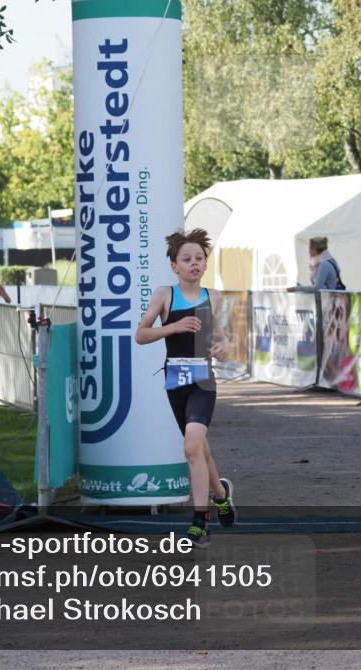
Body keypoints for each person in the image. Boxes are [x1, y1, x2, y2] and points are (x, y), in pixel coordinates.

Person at [135, 229, 236, 547]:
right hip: (174, 381)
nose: (194, 263)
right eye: (186, 259)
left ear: (206, 263)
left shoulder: (213, 296)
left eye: (199, 258)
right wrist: (174, 326)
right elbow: (140, 334)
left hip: (203, 382)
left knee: (192, 446)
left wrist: (224, 345)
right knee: (199, 449)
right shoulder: (165, 294)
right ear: (174, 265)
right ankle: (221, 494)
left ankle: (200, 522)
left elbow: (223, 337)